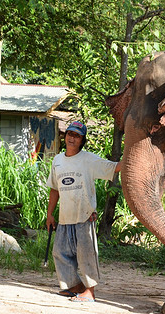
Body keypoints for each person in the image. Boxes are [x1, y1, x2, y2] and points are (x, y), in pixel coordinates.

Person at [46, 121, 121, 303]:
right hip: (65, 217)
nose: (72, 138)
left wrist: (134, 154)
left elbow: (113, 167)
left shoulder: (88, 160)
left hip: (84, 216)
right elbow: (54, 189)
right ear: (65, 136)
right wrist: (49, 214)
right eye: (70, 134)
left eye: (77, 136)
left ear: (82, 140)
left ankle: (90, 291)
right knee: (59, 253)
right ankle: (75, 286)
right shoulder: (57, 161)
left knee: (86, 254)